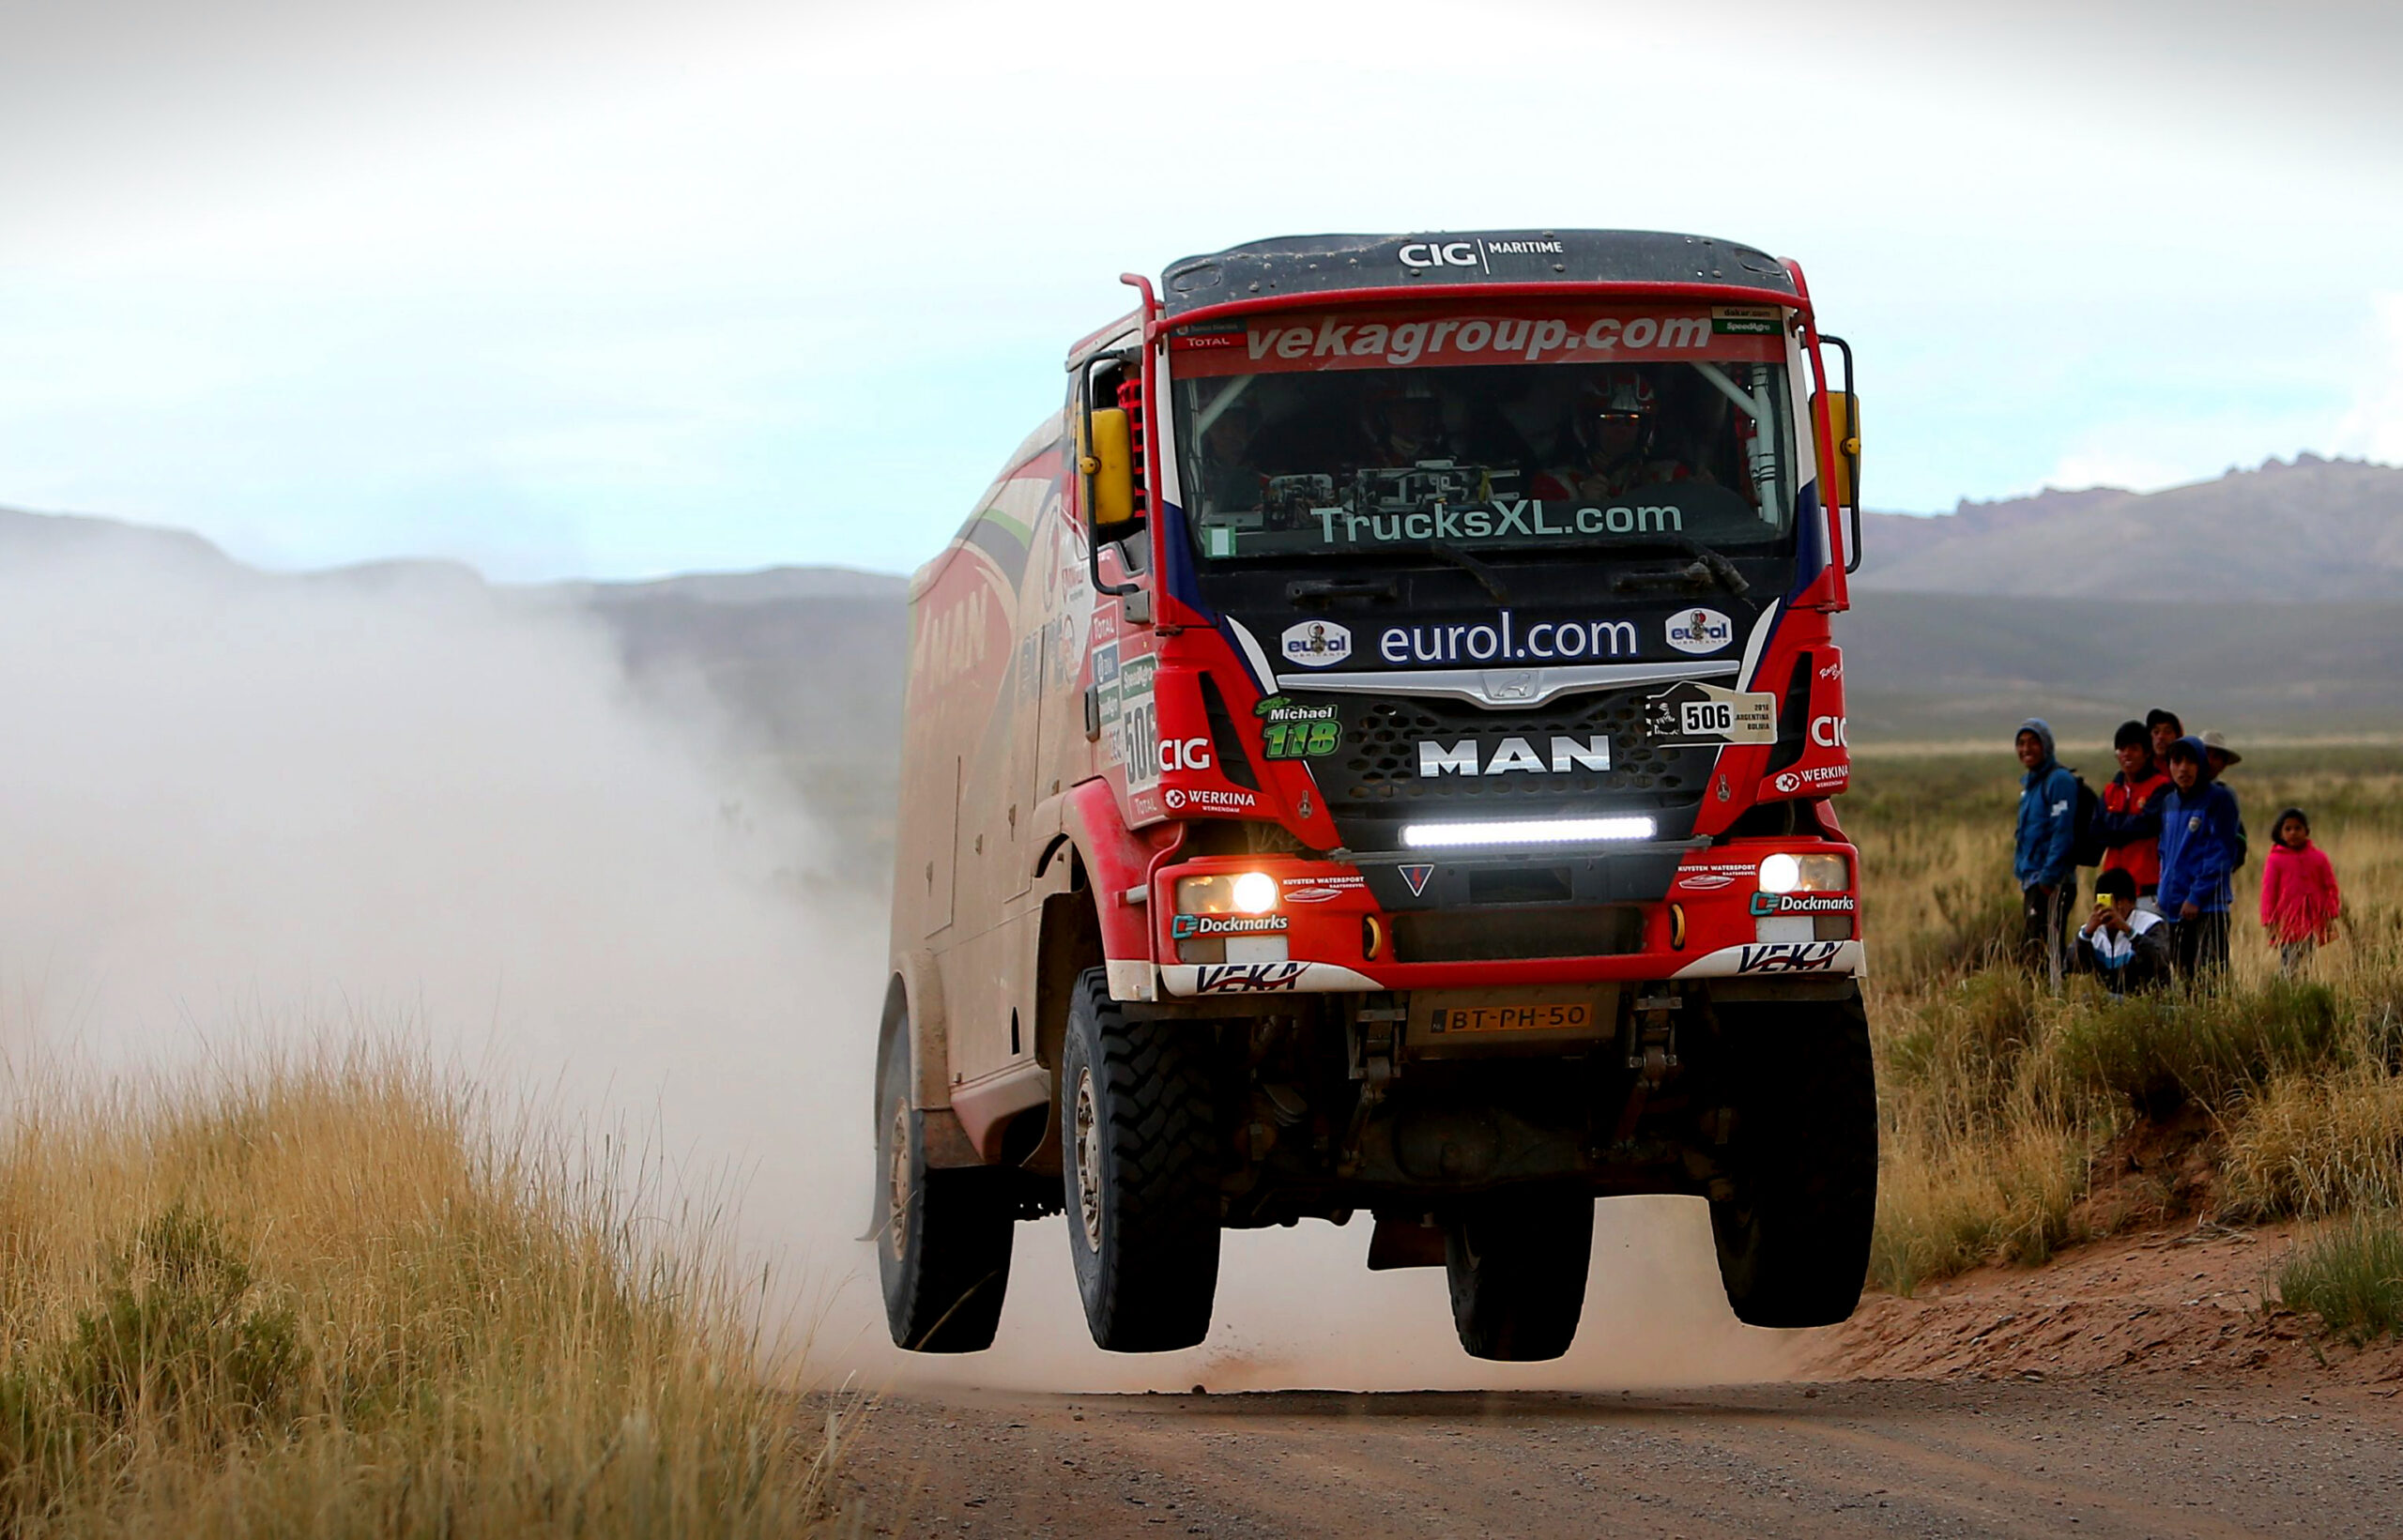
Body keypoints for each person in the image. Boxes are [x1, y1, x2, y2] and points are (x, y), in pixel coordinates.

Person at [2155, 735, 2242, 983]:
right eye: (2177, 761)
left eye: (2191, 761)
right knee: (2184, 981)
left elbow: (2222, 852)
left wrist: (2196, 896)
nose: (2183, 768)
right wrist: (2164, 895)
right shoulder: (2168, 802)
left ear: (2201, 765)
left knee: (2209, 982)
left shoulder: (2218, 799)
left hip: (2206, 909)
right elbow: (2164, 852)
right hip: (2174, 908)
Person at [1533, 369, 1692, 501]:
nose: (1622, 429)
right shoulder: (1557, 485)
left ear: (1644, 429)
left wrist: (1706, 494)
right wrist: (1582, 508)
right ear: (1588, 427)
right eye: (1611, 420)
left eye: (1631, 421)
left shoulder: (1670, 478)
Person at [2013, 718, 2079, 976]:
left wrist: (2049, 878)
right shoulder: (2030, 785)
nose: (2026, 749)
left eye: (2033, 742)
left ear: (2046, 746)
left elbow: (2061, 832)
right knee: (2032, 949)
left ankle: (2054, 1006)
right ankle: (2037, 1005)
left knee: (2046, 950)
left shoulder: (2058, 780)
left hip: (2052, 882)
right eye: (2021, 743)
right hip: (2032, 879)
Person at [2094, 719, 2172, 907]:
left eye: (2133, 748)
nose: (2127, 754)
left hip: (2146, 887)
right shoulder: (2111, 790)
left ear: (2147, 753)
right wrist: (2128, 826)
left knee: (2146, 936)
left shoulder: (2162, 787)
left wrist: (2113, 825)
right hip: (2109, 886)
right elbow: (2096, 831)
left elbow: (2148, 825)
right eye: (2121, 749)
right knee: (2106, 934)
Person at [2259, 807, 2341, 976]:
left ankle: (2303, 992)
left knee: (2307, 964)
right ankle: (2287, 996)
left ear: (2307, 831)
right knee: (2289, 966)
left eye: (2298, 828)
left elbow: (2330, 887)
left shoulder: (2318, 858)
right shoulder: (2275, 860)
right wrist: (2269, 920)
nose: (2293, 833)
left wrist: (2331, 912)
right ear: (2280, 833)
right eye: (2288, 829)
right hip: (2287, 924)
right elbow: (2268, 892)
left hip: (2312, 923)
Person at [2074, 867, 2171, 993]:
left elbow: (2161, 962)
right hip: (2110, 1000)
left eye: (2118, 902)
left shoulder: (2150, 924)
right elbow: (2073, 966)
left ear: (2130, 902)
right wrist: (2085, 935)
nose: (2115, 908)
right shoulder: (2094, 929)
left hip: (2146, 999)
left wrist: (2129, 932)